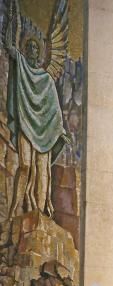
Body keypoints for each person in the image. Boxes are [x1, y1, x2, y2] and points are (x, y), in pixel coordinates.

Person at [5, 3, 69, 218]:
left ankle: (40, 213)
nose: (32, 51)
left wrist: (60, 131)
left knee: (43, 169)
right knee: (24, 164)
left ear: (40, 53)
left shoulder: (47, 80)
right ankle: (15, 210)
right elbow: (9, 46)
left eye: (35, 48)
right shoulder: (21, 66)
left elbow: (55, 109)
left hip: (44, 129)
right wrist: (15, 20)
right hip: (26, 123)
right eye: (29, 47)